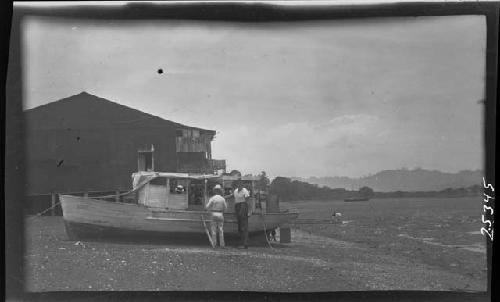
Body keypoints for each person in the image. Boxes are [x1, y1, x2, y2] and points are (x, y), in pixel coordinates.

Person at [232, 180, 251, 249]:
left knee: (244, 226)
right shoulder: (235, 191)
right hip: (237, 206)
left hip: (243, 206)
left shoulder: (245, 190)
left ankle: (246, 243)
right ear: (237, 185)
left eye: (241, 184)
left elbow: (248, 201)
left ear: (242, 185)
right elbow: (233, 197)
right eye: (238, 184)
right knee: (239, 226)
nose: (240, 185)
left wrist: (249, 211)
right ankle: (239, 243)